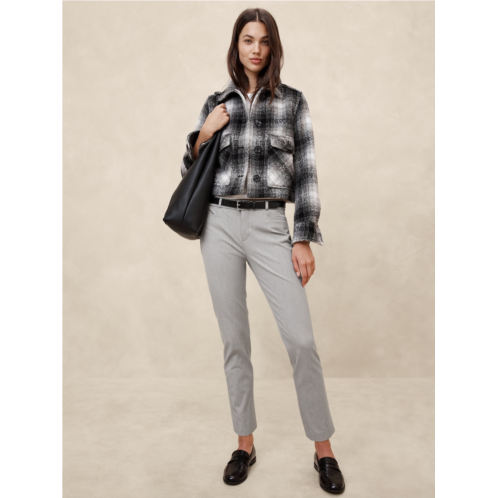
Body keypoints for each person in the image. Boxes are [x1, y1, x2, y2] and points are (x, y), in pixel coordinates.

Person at [179, 8, 346, 494]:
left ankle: (323, 449)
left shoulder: (292, 102)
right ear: (237, 46)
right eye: (247, 39)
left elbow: (307, 173)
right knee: (235, 341)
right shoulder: (216, 102)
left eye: (264, 40)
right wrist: (205, 133)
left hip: (271, 223)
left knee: (301, 341)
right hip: (219, 223)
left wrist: (303, 236)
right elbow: (188, 171)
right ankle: (244, 444)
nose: (255, 48)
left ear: (274, 47)